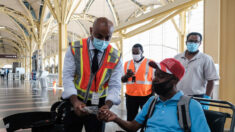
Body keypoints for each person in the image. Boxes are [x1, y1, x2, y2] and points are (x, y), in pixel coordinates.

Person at [99, 58, 210, 132]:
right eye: (155, 75)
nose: (155, 80)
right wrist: (116, 118)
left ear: (174, 80)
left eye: (161, 76)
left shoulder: (191, 106)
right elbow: (133, 126)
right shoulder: (152, 102)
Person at [62, 17, 123, 132]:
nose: (103, 41)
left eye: (108, 37)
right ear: (91, 31)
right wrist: (75, 102)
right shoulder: (75, 48)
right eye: (99, 36)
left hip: (99, 104)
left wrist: (107, 106)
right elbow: (67, 77)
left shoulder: (115, 56)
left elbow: (115, 85)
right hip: (74, 99)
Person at [174, 32, 220, 109]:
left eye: (196, 42)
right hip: (178, 95)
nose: (193, 43)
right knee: (179, 118)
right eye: (191, 41)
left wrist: (206, 99)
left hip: (197, 97)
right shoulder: (177, 58)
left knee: (194, 119)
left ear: (200, 43)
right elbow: (172, 76)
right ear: (186, 42)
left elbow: (211, 80)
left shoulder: (206, 59)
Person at [121, 44, 154, 121]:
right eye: (133, 53)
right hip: (130, 96)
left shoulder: (151, 63)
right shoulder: (127, 64)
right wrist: (127, 76)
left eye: (137, 53)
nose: (135, 55)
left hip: (146, 96)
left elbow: (155, 80)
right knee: (130, 119)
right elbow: (122, 80)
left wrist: (152, 96)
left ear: (142, 52)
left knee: (147, 119)